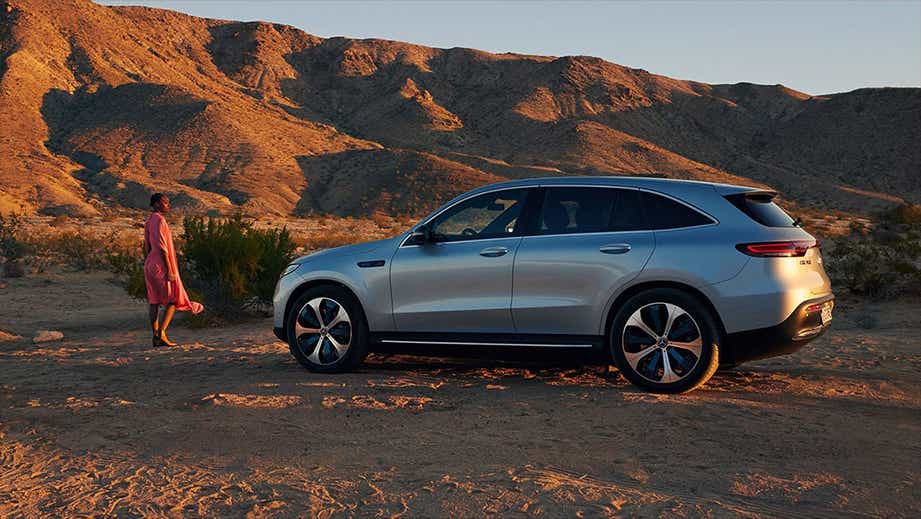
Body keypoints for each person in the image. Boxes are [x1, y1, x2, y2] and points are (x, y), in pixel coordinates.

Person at [144, 193, 203, 347]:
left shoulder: (149, 220)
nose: (168, 206)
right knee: (173, 300)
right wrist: (169, 269)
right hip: (160, 265)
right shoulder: (159, 220)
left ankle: (155, 336)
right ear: (157, 204)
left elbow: (147, 246)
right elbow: (162, 247)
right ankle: (162, 334)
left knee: (154, 301)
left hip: (150, 263)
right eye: (165, 203)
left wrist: (149, 260)